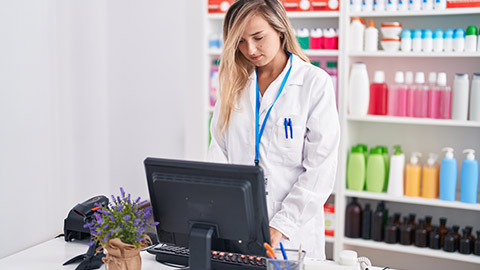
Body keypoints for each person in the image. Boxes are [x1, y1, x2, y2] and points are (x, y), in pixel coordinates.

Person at [207, 0, 340, 259]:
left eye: (258, 37)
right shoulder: (233, 85)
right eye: (241, 42)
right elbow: (218, 151)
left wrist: (281, 225)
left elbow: (320, 169)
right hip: (237, 226)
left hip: (293, 234)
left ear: (279, 29)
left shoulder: (314, 83)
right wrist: (219, 213)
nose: (251, 49)